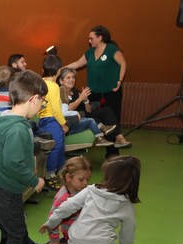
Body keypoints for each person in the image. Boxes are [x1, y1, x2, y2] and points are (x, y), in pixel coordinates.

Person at [0, 70, 59, 244]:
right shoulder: (19, 128)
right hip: (8, 190)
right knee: (16, 235)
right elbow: (14, 164)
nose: (41, 107)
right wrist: (35, 181)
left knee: (8, 232)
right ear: (33, 99)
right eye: (42, 102)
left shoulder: (3, 118)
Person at [41, 156, 138, 244]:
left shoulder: (91, 190)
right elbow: (128, 234)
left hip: (77, 241)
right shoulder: (126, 205)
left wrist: (50, 222)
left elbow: (67, 206)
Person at [64, 25, 129, 155]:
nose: (89, 41)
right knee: (92, 114)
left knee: (112, 119)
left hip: (112, 92)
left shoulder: (112, 50)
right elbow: (77, 63)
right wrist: (61, 69)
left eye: (91, 38)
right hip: (93, 93)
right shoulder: (89, 53)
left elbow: (123, 63)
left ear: (100, 37)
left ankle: (112, 153)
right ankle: (100, 138)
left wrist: (119, 80)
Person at [58, 67, 128, 147]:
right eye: (68, 78)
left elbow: (89, 111)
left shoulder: (75, 91)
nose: (72, 80)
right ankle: (103, 129)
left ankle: (118, 136)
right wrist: (80, 98)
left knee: (106, 110)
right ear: (61, 81)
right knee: (89, 117)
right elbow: (67, 109)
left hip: (81, 116)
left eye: (73, 77)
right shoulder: (60, 91)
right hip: (70, 121)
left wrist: (86, 101)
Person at [44, 156, 91, 244]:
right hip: (72, 234)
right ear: (68, 177)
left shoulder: (86, 190)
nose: (86, 183)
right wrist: (54, 239)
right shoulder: (62, 197)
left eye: (88, 179)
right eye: (81, 180)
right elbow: (53, 218)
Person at [36, 55, 69, 184]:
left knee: (55, 145)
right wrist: (64, 124)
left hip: (42, 120)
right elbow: (56, 109)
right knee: (57, 145)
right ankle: (51, 174)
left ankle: (59, 170)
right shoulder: (54, 86)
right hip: (52, 120)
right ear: (59, 70)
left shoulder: (41, 82)